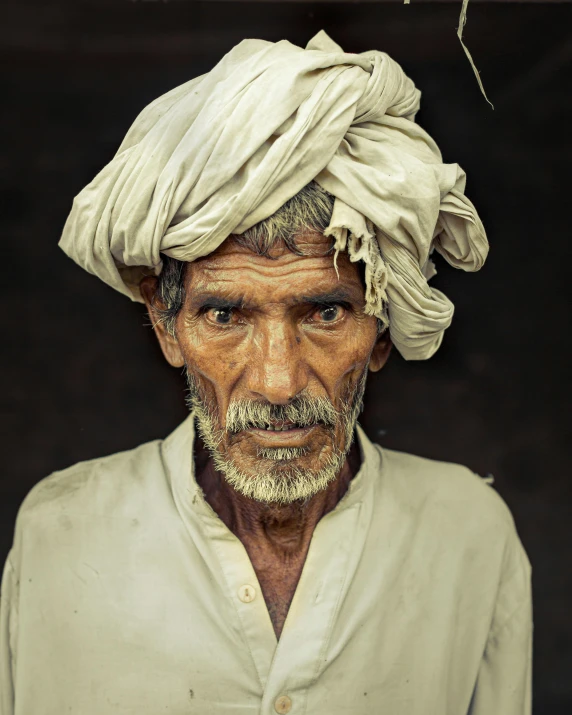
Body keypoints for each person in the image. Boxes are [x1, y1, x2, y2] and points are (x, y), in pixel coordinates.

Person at [0, 31, 531, 715]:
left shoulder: (469, 535)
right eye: (225, 315)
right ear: (167, 326)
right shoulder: (63, 531)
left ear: (381, 328)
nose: (278, 382)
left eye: (326, 312)